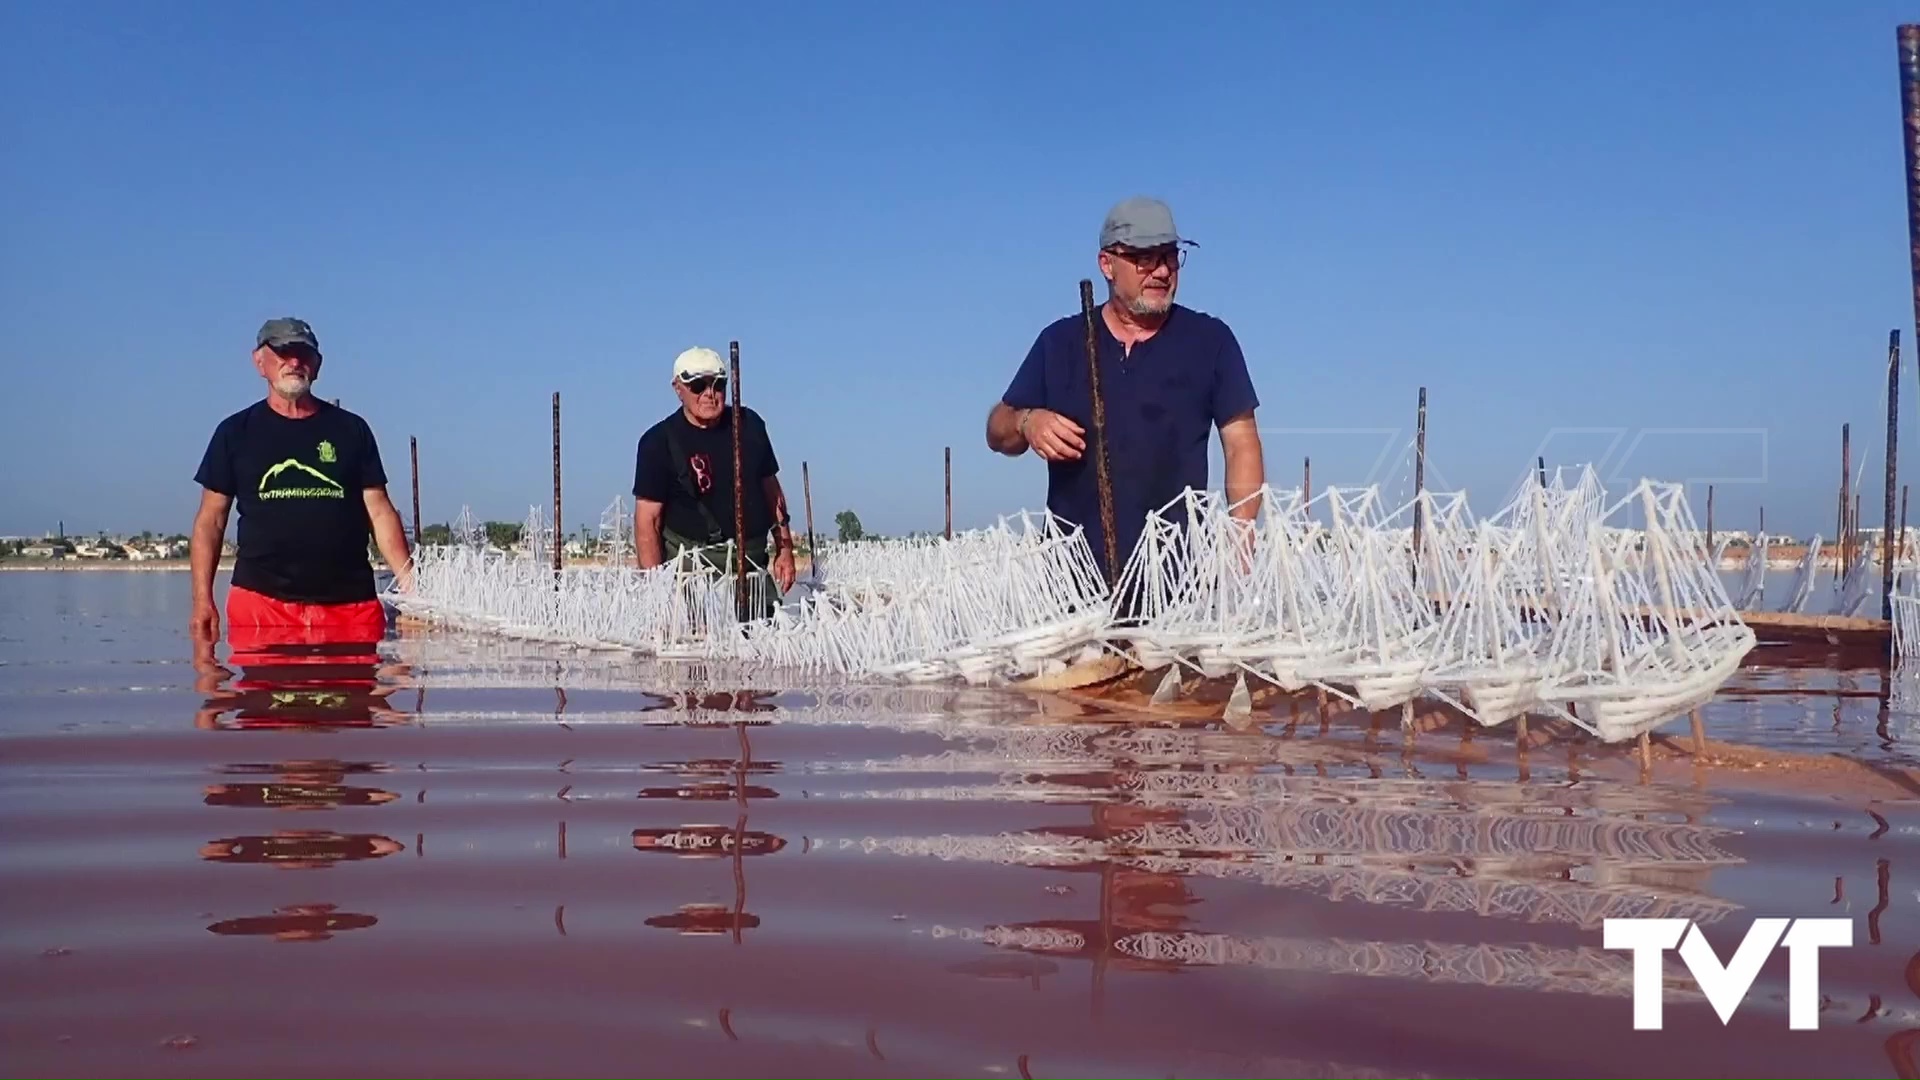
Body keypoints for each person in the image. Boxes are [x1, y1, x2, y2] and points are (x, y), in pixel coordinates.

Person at [985, 196, 1266, 582]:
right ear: (1107, 264)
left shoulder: (1211, 342)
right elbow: (997, 430)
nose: (1162, 271)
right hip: (1072, 583)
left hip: (1176, 580)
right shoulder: (1061, 342)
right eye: (1144, 258)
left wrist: (1241, 538)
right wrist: (1027, 421)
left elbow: (1241, 443)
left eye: (1169, 256)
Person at [189, 317, 413, 643]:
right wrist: (201, 601)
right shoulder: (233, 433)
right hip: (260, 606)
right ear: (259, 362)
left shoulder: (352, 430)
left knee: (363, 693)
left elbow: (379, 512)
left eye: (304, 354)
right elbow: (210, 521)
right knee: (256, 695)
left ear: (318, 365)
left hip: (351, 607)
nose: (295, 362)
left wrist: (411, 588)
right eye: (283, 352)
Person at [632, 346, 797, 614]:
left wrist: (785, 548)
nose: (709, 394)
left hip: (750, 562)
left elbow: (771, 491)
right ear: (678, 388)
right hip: (692, 568)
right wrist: (656, 590)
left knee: (762, 641)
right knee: (696, 645)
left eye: (718, 385)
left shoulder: (749, 425)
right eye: (698, 385)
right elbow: (647, 521)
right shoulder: (657, 442)